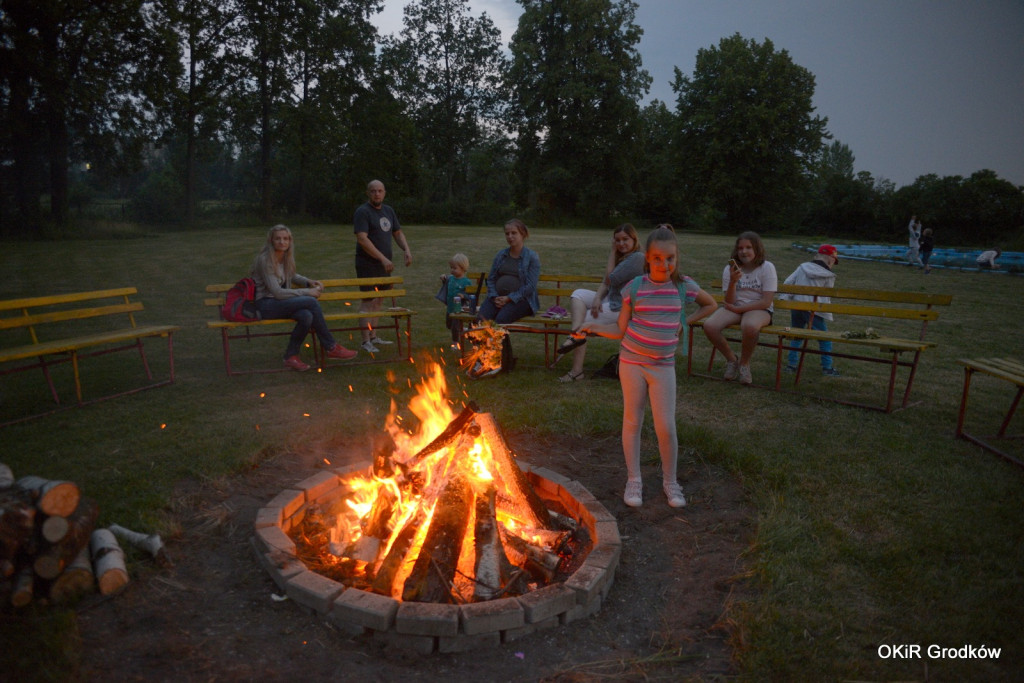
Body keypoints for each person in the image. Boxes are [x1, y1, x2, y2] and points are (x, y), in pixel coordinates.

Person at [578, 226, 716, 508]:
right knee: (633, 420)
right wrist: (592, 326)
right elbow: (620, 329)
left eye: (670, 258)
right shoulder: (635, 288)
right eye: (656, 258)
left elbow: (710, 304)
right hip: (631, 362)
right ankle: (634, 479)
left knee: (665, 425)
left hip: (663, 367)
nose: (664, 265)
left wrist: (683, 323)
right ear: (647, 259)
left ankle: (670, 481)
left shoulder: (683, 287)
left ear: (677, 258)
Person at [251, 224, 357, 371]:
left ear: (290, 241)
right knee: (311, 301)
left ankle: (291, 356)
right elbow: (277, 292)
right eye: (278, 239)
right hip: (265, 305)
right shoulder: (265, 260)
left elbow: (292, 275)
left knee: (306, 316)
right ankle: (331, 346)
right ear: (271, 241)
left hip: (279, 303)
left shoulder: (283, 258)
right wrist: (307, 292)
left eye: (286, 239)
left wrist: (308, 282)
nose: (282, 242)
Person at [554, 223, 645, 382]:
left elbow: (611, 278)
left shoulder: (637, 258)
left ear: (634, 239)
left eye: (625, 239)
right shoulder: (623, 257)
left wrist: (611, 252)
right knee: (578, 294)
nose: (621, 243)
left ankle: (576, 370)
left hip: (622, 307)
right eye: (617, 240)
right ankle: (575, 334)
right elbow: (605, 283)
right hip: (611, 299)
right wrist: (597, 298)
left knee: (586, 322)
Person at [701, 231, 777, 386]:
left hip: (759, 309)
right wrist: (733, 282)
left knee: (749, 326)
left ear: (757, 249)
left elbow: (766, 301)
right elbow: (729, 300)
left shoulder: (767, 267)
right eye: (740, 248)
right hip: (734, 306)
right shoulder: (730, 269)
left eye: (749, 247)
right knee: (710, 326)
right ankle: (732, 360)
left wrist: (739, 309)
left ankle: (744, 364)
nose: (744, 251)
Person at [353, 180, 412, 353]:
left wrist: (406, 249)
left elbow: (398, 233)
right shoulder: (363, 212)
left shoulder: (388, 211)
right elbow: (362, 239)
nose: (376, 194)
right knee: (368, 301)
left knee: (379, 300)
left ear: (384, 192)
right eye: (373, 191)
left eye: (379, 191)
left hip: (384, 265)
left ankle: (373, 336)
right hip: (368, 264)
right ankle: (365, 342)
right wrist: (382, 259)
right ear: (368, 193)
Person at [781, 244, 840, 376]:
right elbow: (826, 296)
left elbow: (789, 281)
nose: (833, 264)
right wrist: (826, 313)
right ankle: (827, 367)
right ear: (830, 258)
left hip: (796, 307)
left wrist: (785, 299)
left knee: (796, 334)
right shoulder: (829, 276)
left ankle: (791, 365)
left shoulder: (802, 267)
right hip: (813, 311)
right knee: (824, 338)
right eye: (834, 261)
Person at [476, 218, 540, 324]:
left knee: (501, 320)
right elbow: (491, 279)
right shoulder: (501, 255)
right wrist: (494, 296)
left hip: (522, 301)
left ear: (522, 234)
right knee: (481, 320)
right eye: (507, 234)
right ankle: (486, 341)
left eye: (514, 233)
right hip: (496, 298)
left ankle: (495, 341)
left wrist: (509, 298)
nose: (510, 237)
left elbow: (530, 286)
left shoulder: (532, 257)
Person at [442, 253, 473, 350]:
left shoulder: (466, 282)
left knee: (454, 326)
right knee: (449, 325)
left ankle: (455, 343)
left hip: (459, 309)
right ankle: (462, 329)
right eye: (451, 268)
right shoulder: (451, 279)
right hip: (450, 307)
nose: (452, 270)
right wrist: (443, 278)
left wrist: (464, 296)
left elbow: (471, 295)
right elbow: (447, 282)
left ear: (463, 268)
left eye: (454, 268)